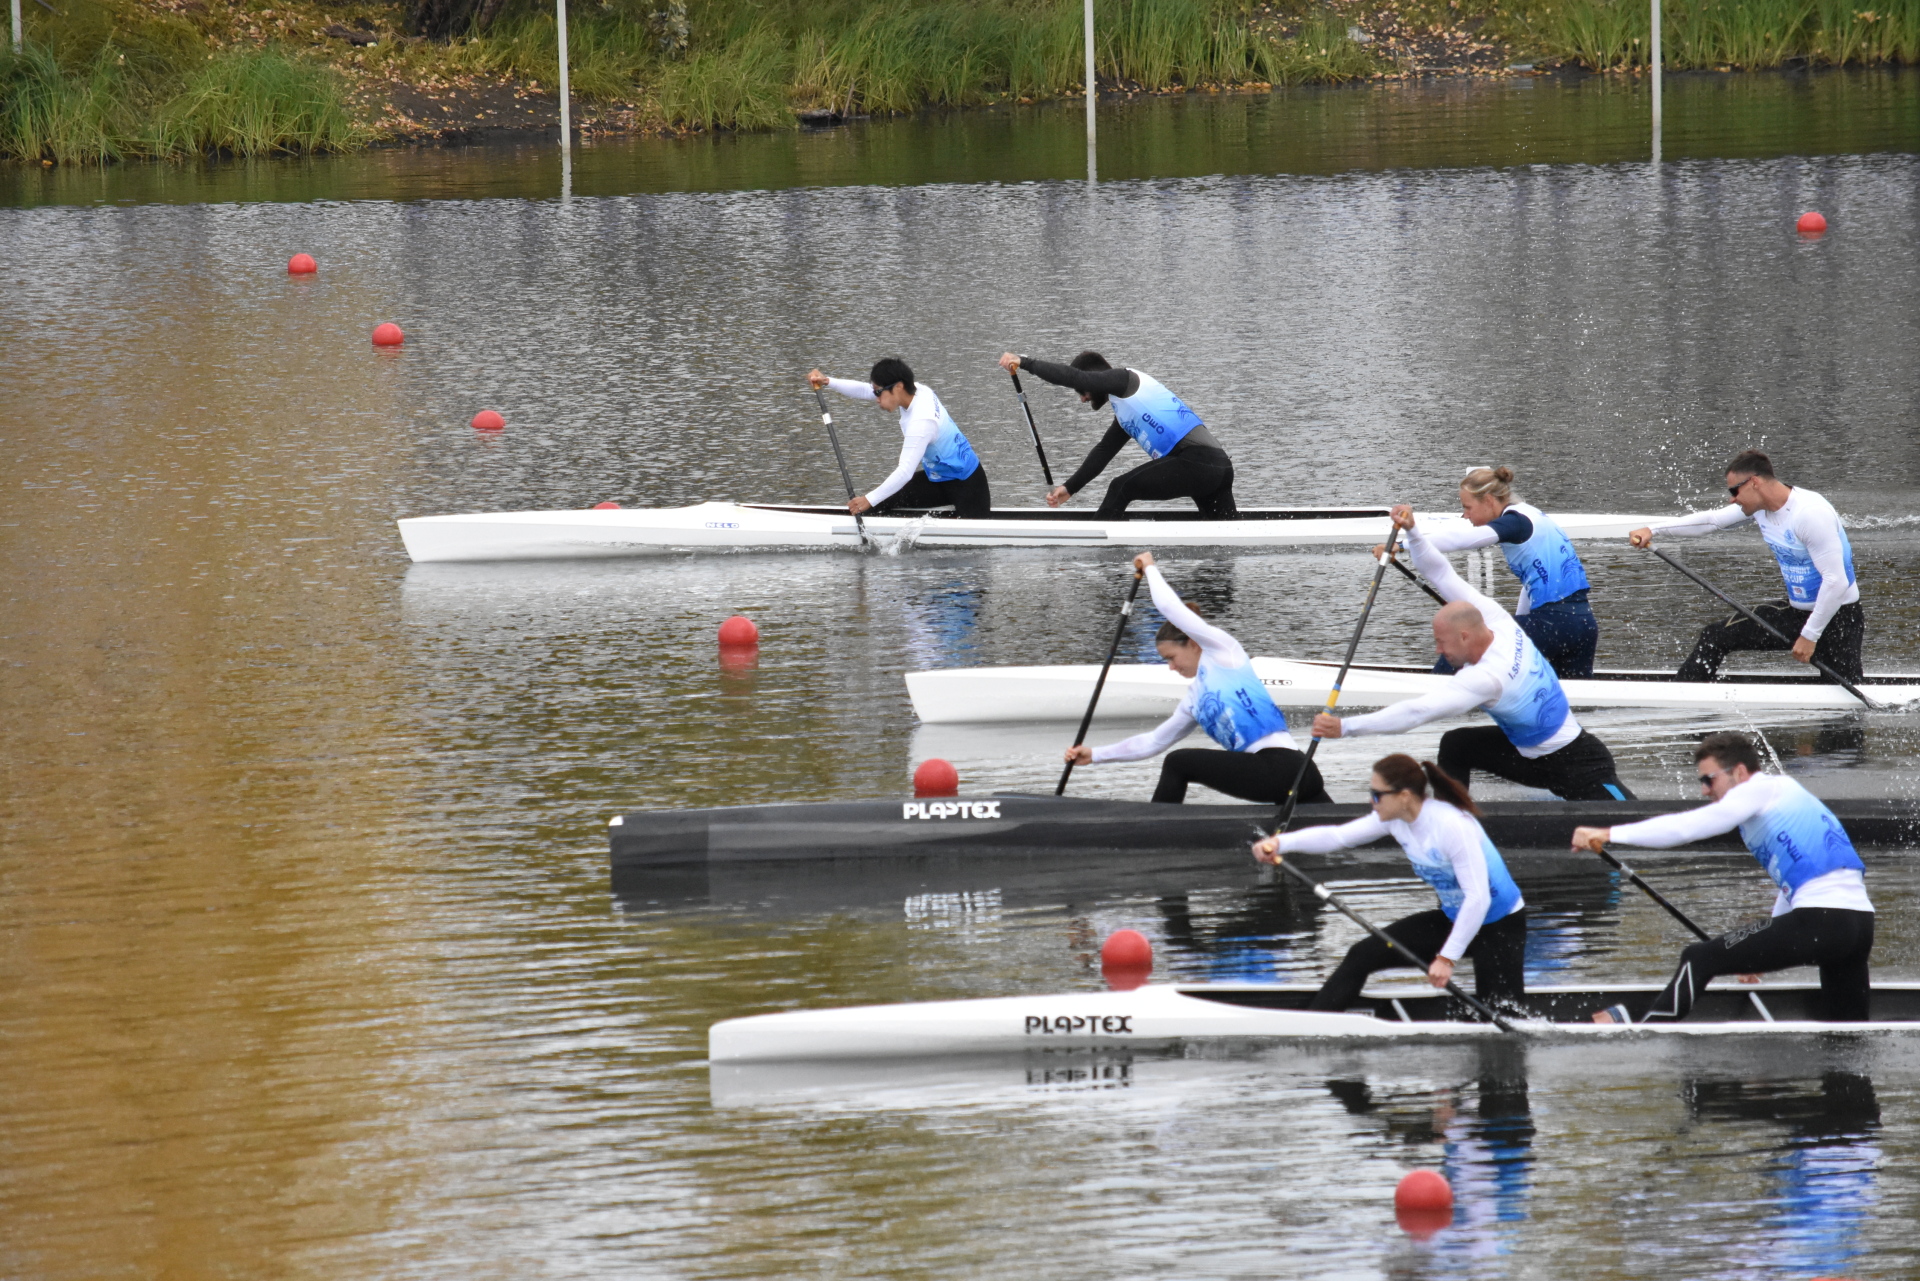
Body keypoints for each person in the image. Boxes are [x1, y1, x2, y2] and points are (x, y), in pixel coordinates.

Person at [1315, 506, 1634, 801]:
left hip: (1578, 763)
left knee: (1632, 824)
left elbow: (1416, 713)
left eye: (1442, 642)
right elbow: (1440, 573)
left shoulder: (1485, 678)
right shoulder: (1497, 619)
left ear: (1465, 636)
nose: (1438, 651)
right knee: (1457, 745)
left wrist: (1346, 727)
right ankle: (1454, 819)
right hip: (1528, 757)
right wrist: (1413, 532)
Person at [1574, 731, 1873, 1024]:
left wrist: (1609, 833)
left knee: (1699, 958)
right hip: (1858, 925)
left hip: (1822, 921)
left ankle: (1648, 1034)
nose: (1704, 791)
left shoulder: (1759, 789)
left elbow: (1686, 828)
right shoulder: (1784, 797)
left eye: (1709, 779)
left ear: (1739, 772)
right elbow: (1792, 886)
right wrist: (1761, 955)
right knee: (1847, 1031)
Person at [1252, 754, 1527, 1012]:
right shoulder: (1395, 819)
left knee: (1503, 1012)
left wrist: (1446, 958)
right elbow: (1338, 836)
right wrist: (1279, 843)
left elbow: (1478, 898)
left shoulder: (1452, 826)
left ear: (1404, 796)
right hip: (1454, 918)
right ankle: (1315, 1025)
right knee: (1362, 955)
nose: (1372, 801)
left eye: (1377, 794)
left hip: (1500, 926)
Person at [1063, 552, 1327, 805]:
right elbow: (1152, 742)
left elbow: (1169, 607)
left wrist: (1150, 567)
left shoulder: (1223, 652)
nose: (1170, 667)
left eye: (1171, 657)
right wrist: (1095, 755)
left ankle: (1158, 825)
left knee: (1178, 762)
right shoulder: (1192, 702)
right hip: (1296, 776)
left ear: (1192, 643)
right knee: (1333, 827)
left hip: (1283, 768)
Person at [1627, 449, 1864, 682]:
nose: (1732, 499)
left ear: (1754, 483)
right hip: (1796, 613)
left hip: (1839, 619)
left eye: (1734, 490)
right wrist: (1652, 530)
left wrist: (1810, 636)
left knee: (1845, 700)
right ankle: (1683, 696)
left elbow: (1836, 582)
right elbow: (1712, 521)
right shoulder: (1760, 508)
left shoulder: (1810, 514)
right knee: (1714, 637)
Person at [996, 350, 1236, 519]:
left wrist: (1025, 362)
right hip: (1217, 468)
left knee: (1120, 487)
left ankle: (1092, 549)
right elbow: (1103, 452)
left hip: (1199, 463)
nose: (1082, 399)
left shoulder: (1124, 379)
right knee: (1223, 543)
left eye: (1082, 391)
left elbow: (1075, 376)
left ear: (1095, 379)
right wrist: (1069, 488)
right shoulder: (1126, 410)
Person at [1413, 466, 1598, 679]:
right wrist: (1518, 626)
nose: (1465, 515)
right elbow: (1532, 584)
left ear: (1488, 501)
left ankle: (1433, 690)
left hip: (1552, 626)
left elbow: (1460, 540)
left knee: (1461, 645)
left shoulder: (1515, 523)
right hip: (1583, 626)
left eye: (1468, 507)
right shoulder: (1533, 515)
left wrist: (1404, 545)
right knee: (1570, 697)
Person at [807, 358, 991, 519]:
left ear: (898, 387)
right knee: (878, 502)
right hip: (938, 479)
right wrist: (827, 381)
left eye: (878, 392)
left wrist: (867, 500)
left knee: (873, 501)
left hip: (968, 486)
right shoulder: (917, 390)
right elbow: (864, 390)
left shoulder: (922, 421)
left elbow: (904, 472)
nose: (876, 398)